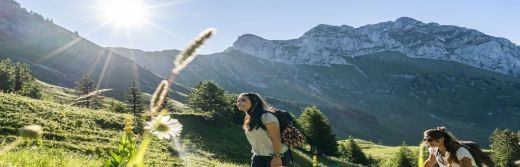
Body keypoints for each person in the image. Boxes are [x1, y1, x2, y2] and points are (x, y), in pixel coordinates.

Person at [236, 92, 290, 167]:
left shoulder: (266, 117)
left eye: (243, 100)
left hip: (277, 155)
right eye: (238, 100)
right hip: (259, 155)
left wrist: (276, 157)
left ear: (254, 102)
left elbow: (276, 138)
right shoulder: (249, 119)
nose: (239, 103)